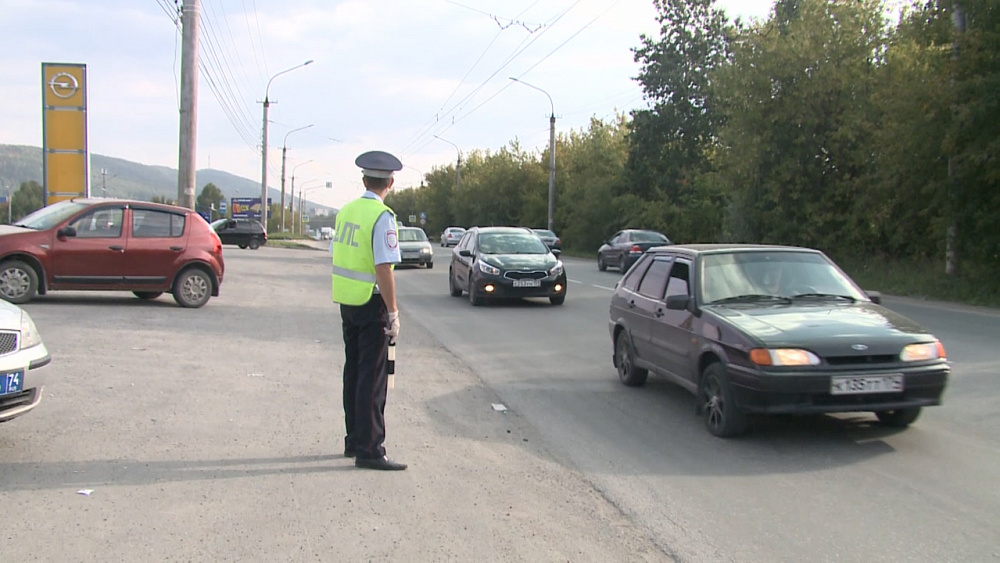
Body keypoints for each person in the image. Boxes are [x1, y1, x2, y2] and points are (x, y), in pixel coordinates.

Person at [331, 150, 406, 471]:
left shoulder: (346, 212)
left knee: (354, 372)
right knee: (372, 378)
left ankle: (354, 440)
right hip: (372, 302)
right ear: (390, 183)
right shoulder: (382, 216)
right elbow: (383, 267)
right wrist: (393, 311)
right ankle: (371, 450)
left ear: (364, 180)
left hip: (347, 300)